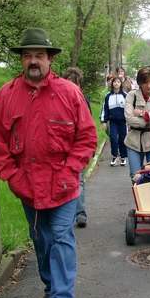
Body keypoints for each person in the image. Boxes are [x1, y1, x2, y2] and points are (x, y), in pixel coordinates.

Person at [0, 28, 97, 298]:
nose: (33, 61)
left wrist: (70, 170)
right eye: (27, 56)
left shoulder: (69, 93)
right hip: (27, 186)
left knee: (62, 236)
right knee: (42, 239)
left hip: (63, 185)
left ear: (50, 59)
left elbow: (87, 138)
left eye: (39, 55)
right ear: (21, 61)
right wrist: (13, 177)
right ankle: (50, 289)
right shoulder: (6, 97)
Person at [62, 67, 92, 227]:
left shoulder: (83, 100)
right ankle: (67, 217)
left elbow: (88, 127)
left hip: (77, 148)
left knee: (79, 181)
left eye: (73, 84)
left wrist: (89, 148)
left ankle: (80, 214)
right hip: (61, 148)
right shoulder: (56, 100)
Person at [124, 67, 150, 179]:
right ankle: (138, 197)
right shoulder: (131, 96)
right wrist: (147, 122)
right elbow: (129, 118)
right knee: (135, 175)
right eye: (145, 82)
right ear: (139, 83)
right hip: (134, 141)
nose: (148, 86)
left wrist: (143, 114)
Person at [101, 76, 128, 166]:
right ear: (112, 83)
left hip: (123, 121)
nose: (116, 83)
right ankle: (114, 155)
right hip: (113, 121)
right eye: (115, 82)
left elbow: (128, 109)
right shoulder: (108, 96)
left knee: (123, 138)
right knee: (113, 137)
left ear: (121, 84)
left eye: (118, 82)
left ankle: (123, 156)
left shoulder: (124, 95)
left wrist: (129, 121)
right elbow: (105, 109)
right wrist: (103, 121)